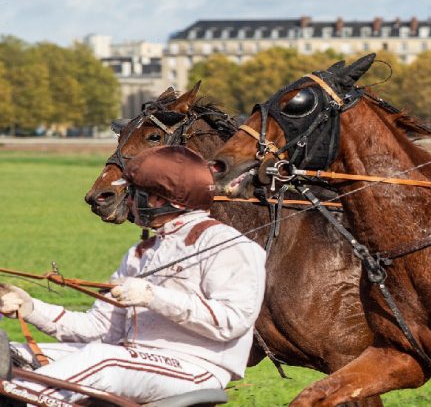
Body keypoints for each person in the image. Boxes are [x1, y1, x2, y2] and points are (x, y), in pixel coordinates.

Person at [0, 145, 266, 403]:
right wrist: (31, 307)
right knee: (11, 356)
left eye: (133, 193)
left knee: (102, 359)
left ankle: (21, 396)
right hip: (128, 358)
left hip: (196, 369)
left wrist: (152, 296)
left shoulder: (230, 246)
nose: (127, 201)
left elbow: (232, 321)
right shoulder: (140, 253)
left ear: (160, 199)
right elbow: (99, 330)